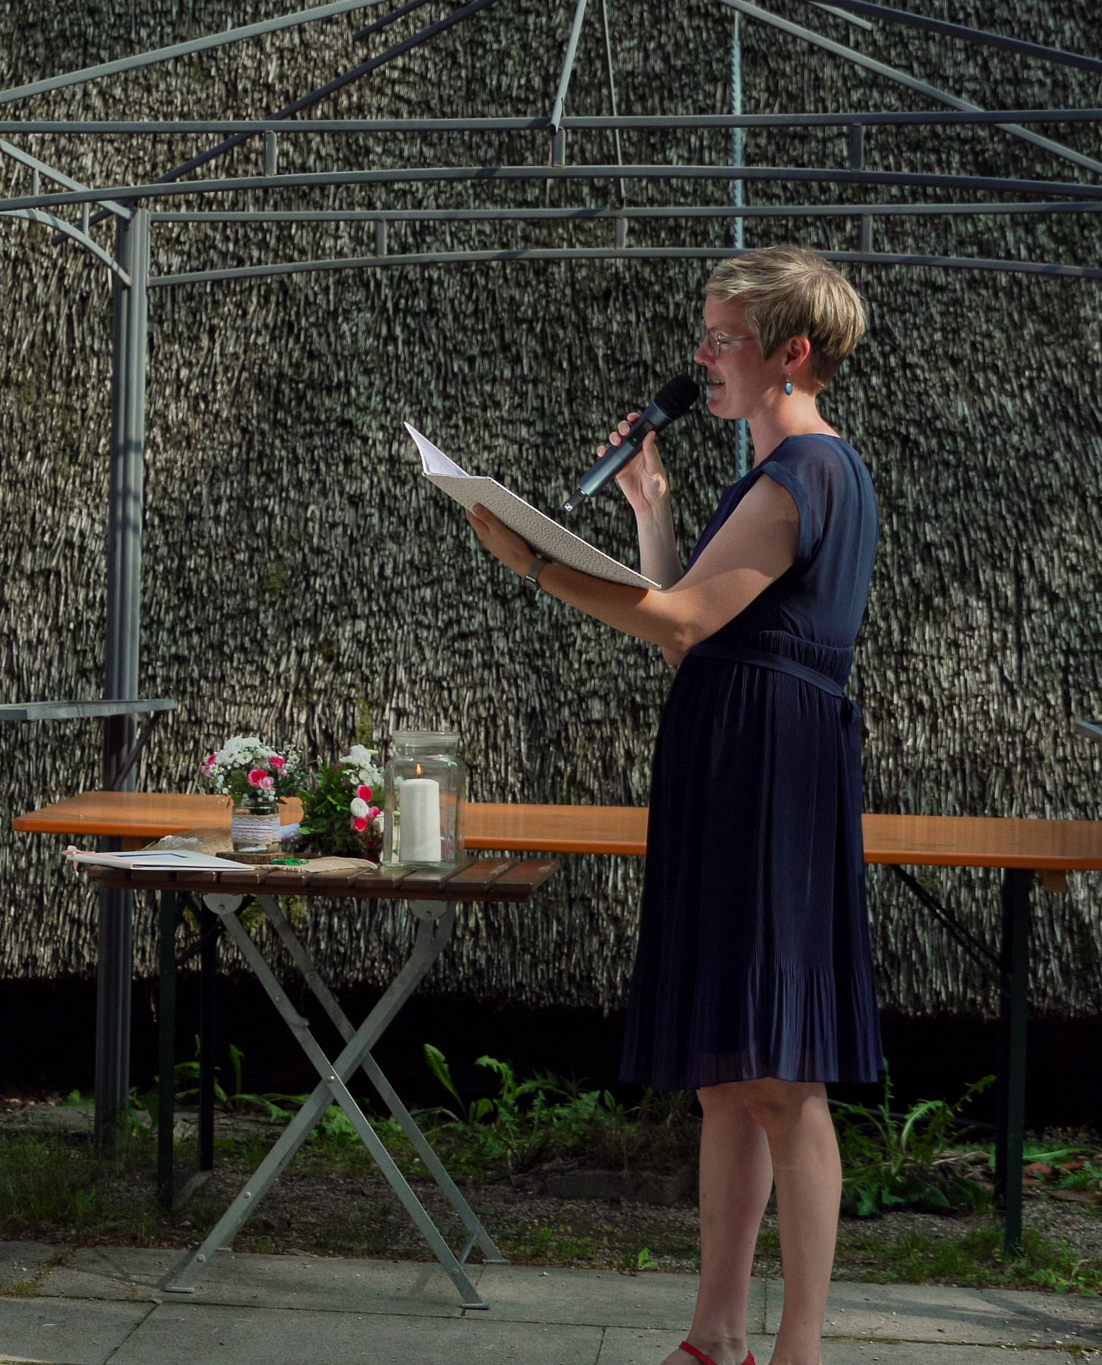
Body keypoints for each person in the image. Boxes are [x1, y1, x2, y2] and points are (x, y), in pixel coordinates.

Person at [466, 245, 878, 1365]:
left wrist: (531, 563)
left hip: (771, 778)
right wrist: (649, 507)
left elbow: (684, 624)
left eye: (720, 341)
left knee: (781, 1077)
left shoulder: (810, 473)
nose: (700, 361)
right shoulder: (762, 480)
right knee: (723, 1075)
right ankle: (713, 1336)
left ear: (791, 353)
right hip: (728, 760)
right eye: (701, 338)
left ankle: (795, 1350)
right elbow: (696, 639)